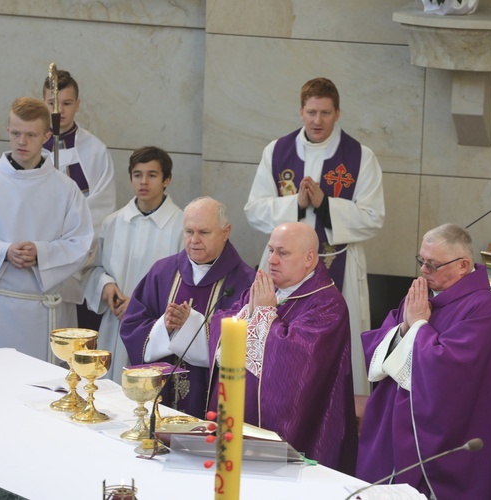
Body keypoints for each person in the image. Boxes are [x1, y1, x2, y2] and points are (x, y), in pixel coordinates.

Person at [356, 223, 491, 499]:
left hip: (454, 429)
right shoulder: (423, 295)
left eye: (432, 265)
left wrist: (420, 326)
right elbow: (384, 342)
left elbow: (450, 370)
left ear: (463, 265)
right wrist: (405, 330)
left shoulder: (483, 307)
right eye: (421, 260)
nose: (423, 270)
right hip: (398, 420)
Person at [244, 77, 385, 395]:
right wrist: (297, 203)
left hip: (339, 263)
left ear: (337, 113)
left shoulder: (361, 157)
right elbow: (254, 211)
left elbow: (374, 218)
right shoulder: (277, 152)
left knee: (336, 343)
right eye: (311, 112)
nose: (317, 120)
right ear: (300, 112)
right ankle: (273, 396)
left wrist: (325, 205)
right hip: (282, 264)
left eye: (324, 112)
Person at [205, 222, 358, 475]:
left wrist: (264, 314)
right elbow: (227, 333)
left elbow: (298, 361)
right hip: (240, 421)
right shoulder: (267, 289)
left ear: (310, 258)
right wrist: (250, 313)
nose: (272, 260)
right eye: (271, 250)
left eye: (282, 253)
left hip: (303, 430)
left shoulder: (328, 304)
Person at [0, 97, 93, 361]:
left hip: (40, 308)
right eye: (15, 133)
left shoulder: (65, 188)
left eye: (30, 135)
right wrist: (4, 251)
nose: (21, 142)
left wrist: (41, 252)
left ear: (47, 135)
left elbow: (81, 244)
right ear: (8, 131)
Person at [120, 196, 254, 418]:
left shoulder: (245, 283)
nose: (194, 240)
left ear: (226, 232)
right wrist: (164, 326)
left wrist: (193, 326)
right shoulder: (162, 271)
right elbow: (132, 325)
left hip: (211, 409)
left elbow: (246, 349)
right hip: (160, 400)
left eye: (204, 232)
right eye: (189, 232)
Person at [82, 146, 184, 382]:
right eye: (137, 175)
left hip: (155, 326)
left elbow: (183, 283)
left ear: (167, 179)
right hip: (115, 322)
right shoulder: (113, 222)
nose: (143, 182)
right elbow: (93, 270)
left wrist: (137, 306)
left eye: (152, 175)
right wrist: (106, 287)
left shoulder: (180, 226)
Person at [42, 69, 116, 330]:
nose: (59, 110)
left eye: (66, 103)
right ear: (43, 103)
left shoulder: (95, 150)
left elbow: (103, 207)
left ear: (78, 105)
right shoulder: (31, 148)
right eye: (52, 103)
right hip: (39, 259)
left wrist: (69, 239)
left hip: (80, 261)